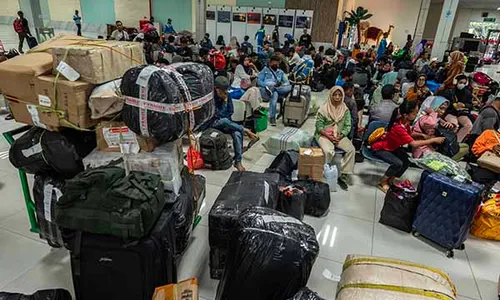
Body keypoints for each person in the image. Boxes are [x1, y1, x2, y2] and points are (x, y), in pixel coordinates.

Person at [372, 100, 445, 193]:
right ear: (406, 115)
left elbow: (409, 134)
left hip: (392, 147)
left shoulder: (404, 123)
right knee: (397, 163)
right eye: (414, 113)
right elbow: (413, 144)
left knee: (407, 161)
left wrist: (422, 136)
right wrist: (433, 140)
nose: (416, 115)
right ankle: (382, 182)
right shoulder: (398, 127)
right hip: (381, 148)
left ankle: (391, 179)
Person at [211, 76, 260, 172]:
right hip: (214, 123)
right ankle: (245, 130)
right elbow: (216, 115)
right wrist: (224, 102)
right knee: (225, 121)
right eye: (222, 91)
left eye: (226, 91)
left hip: (227, 123)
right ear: (216, 89)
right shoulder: (211, 98)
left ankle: (238, 161)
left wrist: (225, 100)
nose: (225, 93)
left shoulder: (227, 95)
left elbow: (230, 112)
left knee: (237, 132)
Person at [315, 86, 356, 191]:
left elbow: (347, 126)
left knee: (351, 150)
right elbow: (319, 126)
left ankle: (343, 175)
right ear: (331, 95)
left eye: (340, 95)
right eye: (335, 95)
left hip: (339, 135)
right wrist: (328, 136)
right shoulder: (324, 108)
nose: (337, 97)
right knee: (329, 151)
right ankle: (324, 172)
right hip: (324, 134)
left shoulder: (345, 109)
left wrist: (340, 136)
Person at [257, 56, 292, 126]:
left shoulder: (280, 72)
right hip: (265, 91)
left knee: (290, 87)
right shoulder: (265, 70)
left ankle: (272, 117)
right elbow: (259, 82)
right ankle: (272, 117)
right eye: (274, 64)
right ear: (270, 63)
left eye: (277, 64)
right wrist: (267, 86)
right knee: (275, 94)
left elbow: (287, 82)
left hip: (276, 89)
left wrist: (282, 84)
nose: (276, 65)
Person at [440, 74, 473, 142]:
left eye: (464, 83)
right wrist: (452, 104)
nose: (462, 84)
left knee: (468, 125)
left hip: (461, 113)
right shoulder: (449, 92)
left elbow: (471, 105)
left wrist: (464, 105)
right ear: (456, 82)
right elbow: (442, 103)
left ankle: (456, 142)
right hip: (450, 112)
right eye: (460, 82)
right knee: (454, 125)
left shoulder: (467, 93)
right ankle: (448, 141)